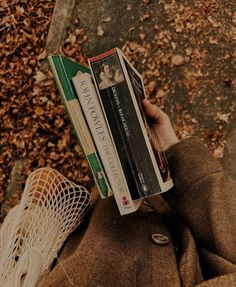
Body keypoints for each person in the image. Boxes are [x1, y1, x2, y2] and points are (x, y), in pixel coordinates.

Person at [38, 100, 236, 287]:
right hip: (163, 214)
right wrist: (172, 152)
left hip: (81, 250)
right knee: (104, 194)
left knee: (52, 189)